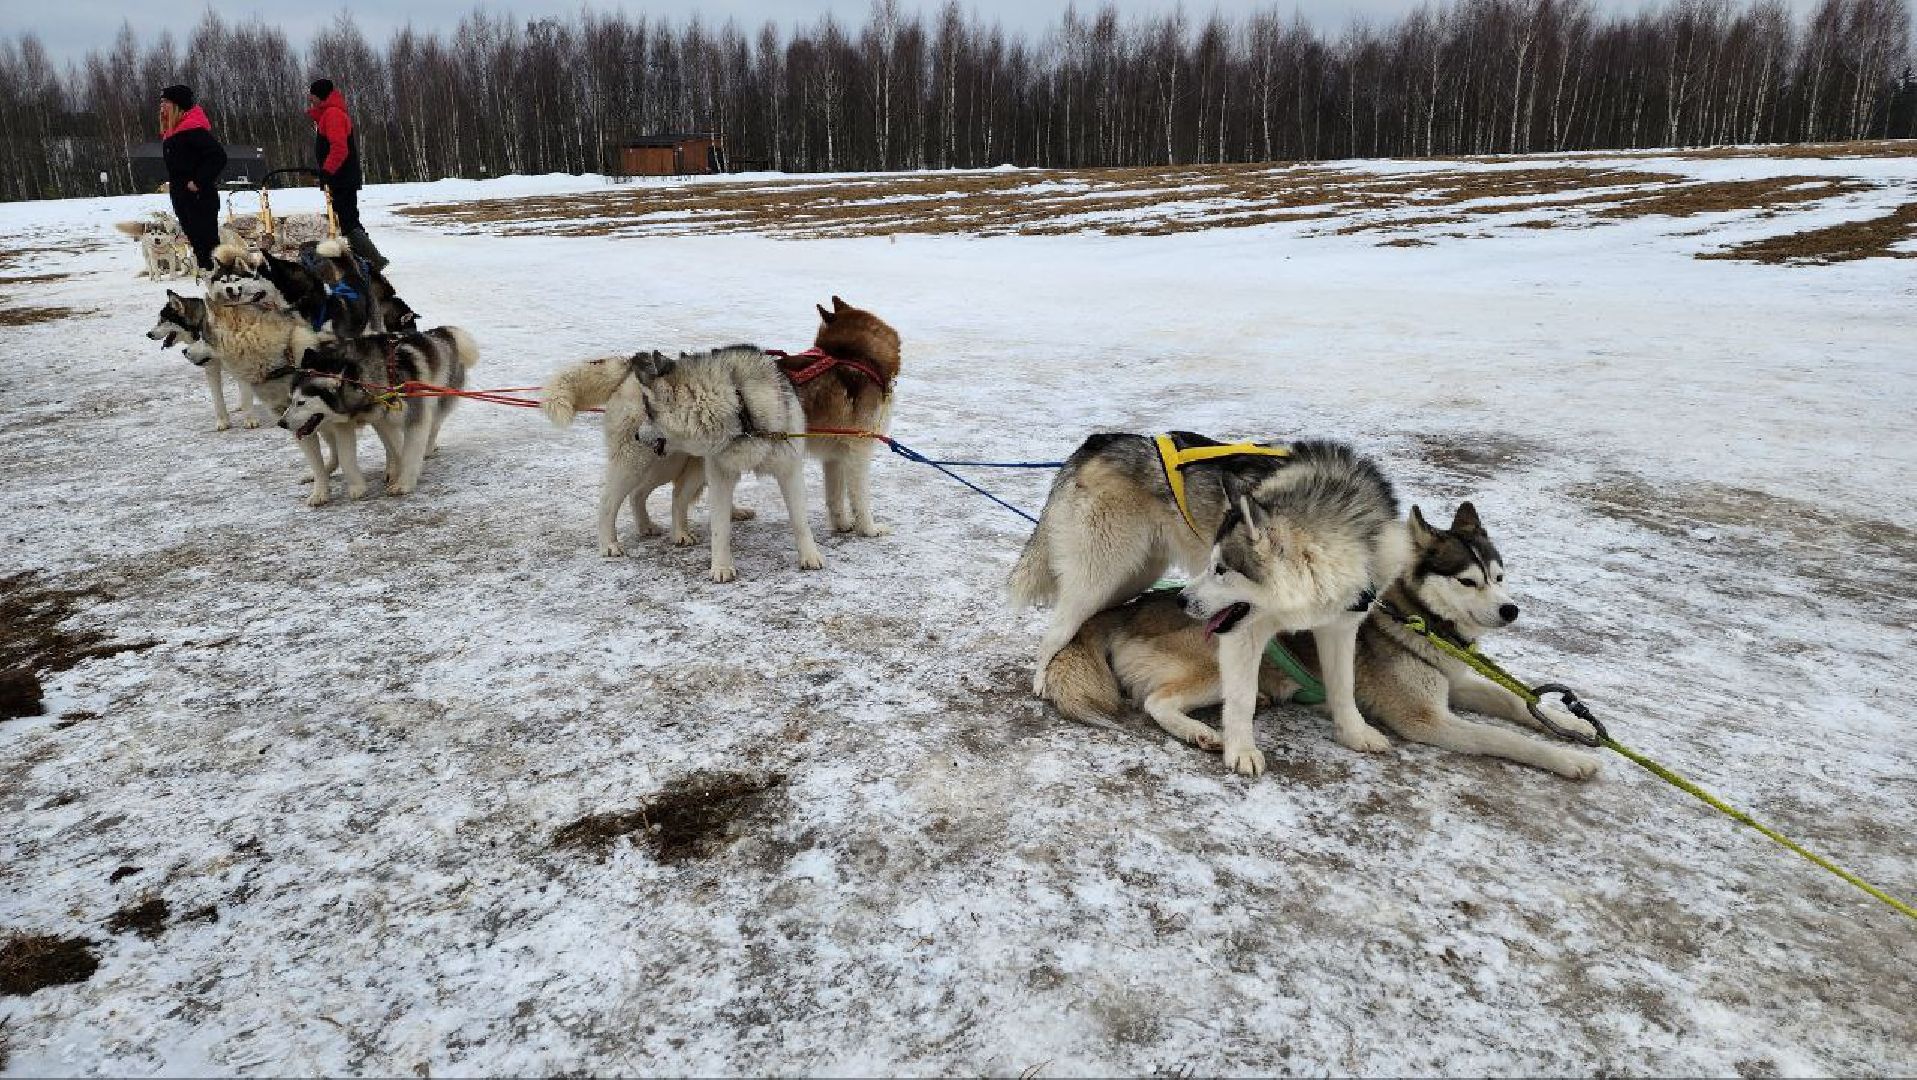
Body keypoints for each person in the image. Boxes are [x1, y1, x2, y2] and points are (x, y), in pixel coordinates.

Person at [306, 78, 388, 270]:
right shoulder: (329, 113)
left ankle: (374, 261)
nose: (310, 99)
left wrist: (327, 171)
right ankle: (366, 260)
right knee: (348, 219)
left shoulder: (333, 114)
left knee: (348, 222)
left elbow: (340, 148)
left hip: (342, 177)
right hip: (340, 177)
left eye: (313, 95)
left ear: (320, 95)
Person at [158, 84, 226, 272]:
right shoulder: (173, 133)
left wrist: (198, 181)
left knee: (208, 248)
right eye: (161, 102)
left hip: (198, 198)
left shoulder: (193, 131)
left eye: (166, 102)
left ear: (177, 105)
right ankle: (212, 284)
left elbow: (217, 156)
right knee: (199, 248)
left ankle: (221, 285)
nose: (161, 106)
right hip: (183, 199)